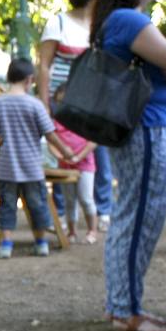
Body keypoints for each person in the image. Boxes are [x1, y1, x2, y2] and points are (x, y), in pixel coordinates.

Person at [91, 0, 166, 331]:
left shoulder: (118, 20)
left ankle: (123, 304)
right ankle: (127, 311)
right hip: (147, 129)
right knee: (140, 218)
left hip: (142, 128)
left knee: (133, 216)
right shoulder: (127, 19)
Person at [37, 0, 110, 226]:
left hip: (91, 103)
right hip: (62, 102)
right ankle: (62, 213)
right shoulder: (58, 23)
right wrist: (44, 103)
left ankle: (102, 210)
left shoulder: (100, 27)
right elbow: (44, 65)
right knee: (62, 154)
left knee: (97, 154)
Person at [0, 58, 74, 258]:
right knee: (37, 205)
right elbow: (49, 133)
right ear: (29, 80)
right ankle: (41, 243)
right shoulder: (35, 105)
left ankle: (6, 244)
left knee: (6, 206)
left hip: (6, 167)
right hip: (32, 167)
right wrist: (65, 150)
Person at [51, 84, 99, 244]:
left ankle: (92, 230)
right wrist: (61, 156)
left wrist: (79, 157)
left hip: (85, 164)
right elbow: (51, 142)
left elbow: (94, 141)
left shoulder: (85, 118)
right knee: (69, 200)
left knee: (86, 198)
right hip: (65, 166)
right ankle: (72, 231)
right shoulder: (55, 120)